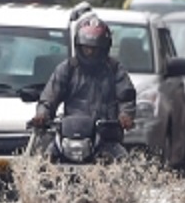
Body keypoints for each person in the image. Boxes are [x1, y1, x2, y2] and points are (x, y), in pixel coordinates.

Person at [31, 17, 136, 158]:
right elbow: (49, 96)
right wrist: (42, 115)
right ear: (78, 46)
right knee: (43, 159)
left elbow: (126, 97)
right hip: (69, 137)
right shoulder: (67, 68)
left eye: (94, 49)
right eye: (86, 48)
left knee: (124, 164)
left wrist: (125, 115)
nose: (90, 53)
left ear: (104, 48)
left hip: (107, 137)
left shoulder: (115, 69)